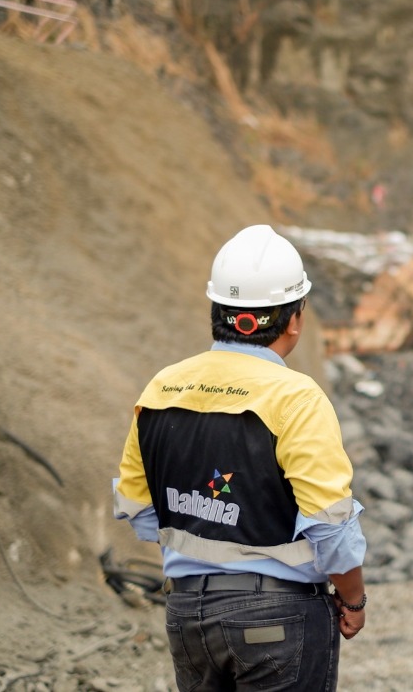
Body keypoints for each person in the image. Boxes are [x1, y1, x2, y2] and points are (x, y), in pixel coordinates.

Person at [114, 224, 368, 690]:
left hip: (187, 617)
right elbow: (330, 522)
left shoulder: (162, 387)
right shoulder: (295, 396)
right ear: (295, 318)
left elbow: (137, 507)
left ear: (217, 312)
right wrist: (353, 600)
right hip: (279, 616)